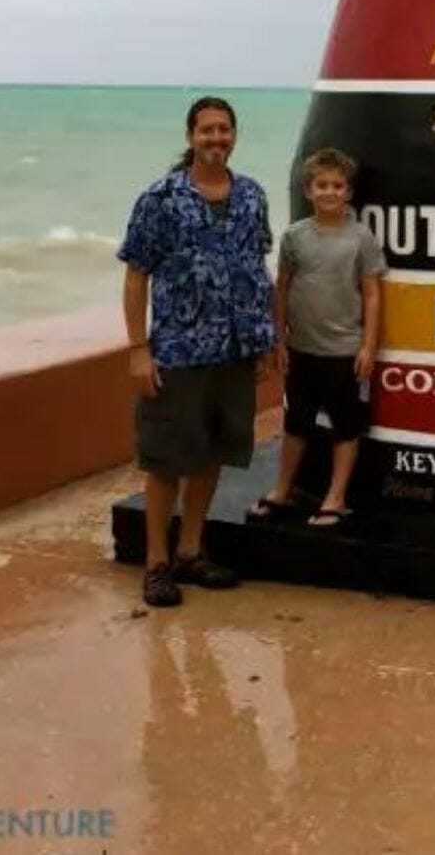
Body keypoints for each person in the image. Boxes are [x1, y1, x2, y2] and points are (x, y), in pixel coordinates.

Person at [119, 96, 276, 608]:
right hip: (178, 352)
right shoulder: (160, 199)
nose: (216, 139)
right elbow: (136, 274)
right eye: (206, 130)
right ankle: (157, 563)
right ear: (190, 137)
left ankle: (191, 550)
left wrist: (264, 339)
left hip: (233, 350)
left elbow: (257, 270)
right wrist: (139, 348)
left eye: (224, 130)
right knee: (166, 460)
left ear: (235, 136)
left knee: (213, 453)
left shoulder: (252, 196)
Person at [251, 147, 385, 528]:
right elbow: (283, 288)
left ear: (348, 192)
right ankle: (282, 490)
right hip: (301, 350)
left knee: (346, 427)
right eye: (321, 185)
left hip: (345, 352)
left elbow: (373, 293)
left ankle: (336, 497)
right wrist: (279, 340)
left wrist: (369, 345)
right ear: (308, 191)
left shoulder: (361, 239)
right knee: (296, 424)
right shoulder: (294, 236)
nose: (329, 192)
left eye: (337, 185)